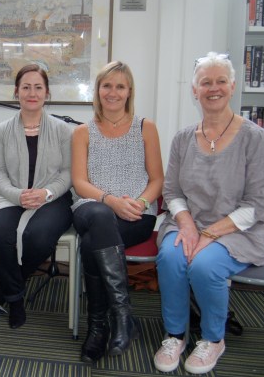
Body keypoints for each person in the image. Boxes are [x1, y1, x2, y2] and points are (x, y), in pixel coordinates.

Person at [153, 52, 264, 375]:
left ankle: (213, 339)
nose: (213, 88)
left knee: (205, 265)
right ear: (195, 91)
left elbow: (257, 205)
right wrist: (188, 225)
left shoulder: (255, 138)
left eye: (221, 81)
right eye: (206, 82)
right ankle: (175, 335)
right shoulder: (183, 139)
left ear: (232, 87)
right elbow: (172, 192)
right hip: (187, 222)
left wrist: (209, 234)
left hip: (238, 230)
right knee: (171, 257)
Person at [71, 61, 164, 363]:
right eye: (107, 85)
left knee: (91, 244)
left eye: (120, 86)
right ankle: (123, 316)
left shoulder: (146, 127)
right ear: (98, 90)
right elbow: (79, 182)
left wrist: (140, 203)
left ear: (129, 91)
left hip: (136, 214)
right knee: (100, 217)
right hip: (91, 206)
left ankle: (97, 327)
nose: (113, 92)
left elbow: (157, 179)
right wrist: (111, 201)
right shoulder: (82, 132)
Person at [0, 64, 73, 329]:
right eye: (26, 87)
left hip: (53, 198)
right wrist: (18, 195)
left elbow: (68, 172)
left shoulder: (63, 130)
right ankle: (16, 299)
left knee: (38, 236)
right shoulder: (2, 131)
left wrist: (46, 192)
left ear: (47, 93)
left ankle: (8, 288)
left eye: (38, 87)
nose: (32, 93)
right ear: (16, 92)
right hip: (11, 196)